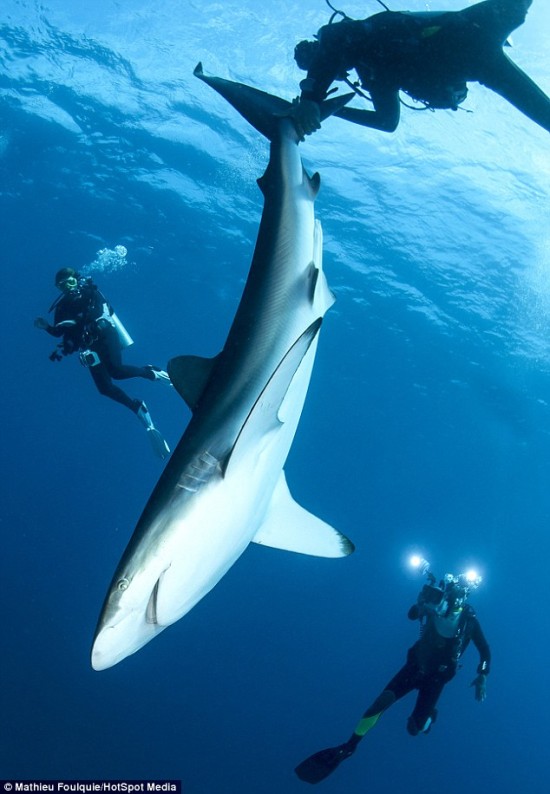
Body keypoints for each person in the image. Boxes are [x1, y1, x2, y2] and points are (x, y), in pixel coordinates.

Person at [295, 566, 491, 784]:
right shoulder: (433, 605)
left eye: (457, 598)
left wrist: (482, 674)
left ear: (463, 599)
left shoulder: (469, 622)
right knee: (380, 703)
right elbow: (412, 615)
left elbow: (485, 650)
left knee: (415, 729)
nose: (451, 601)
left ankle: (428, 718)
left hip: (436, 678)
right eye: (450, 594)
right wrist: (421, 604)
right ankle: (349, 746)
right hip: (415, 667)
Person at [291, 0, 550, 138]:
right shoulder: (373, 73)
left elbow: (333, 38)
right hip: (471, 53)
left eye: (317, 61)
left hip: (464, 32)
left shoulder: (357, 35)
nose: (331, 71)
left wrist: (312, 100)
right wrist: (328, 110)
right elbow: (387, 122)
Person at [35, 267, 171, 459]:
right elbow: (59, 332)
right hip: (89, 348)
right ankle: (137, 408)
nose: (67, 288)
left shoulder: (90, 292)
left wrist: (88, 324)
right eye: (62, 286)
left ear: (76, 280)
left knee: (117, 371)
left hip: (105, 336)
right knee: (105, 388)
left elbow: (104, 311)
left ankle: (151, 373)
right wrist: (46, 327)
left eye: (70, 282)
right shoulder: (62, 307)